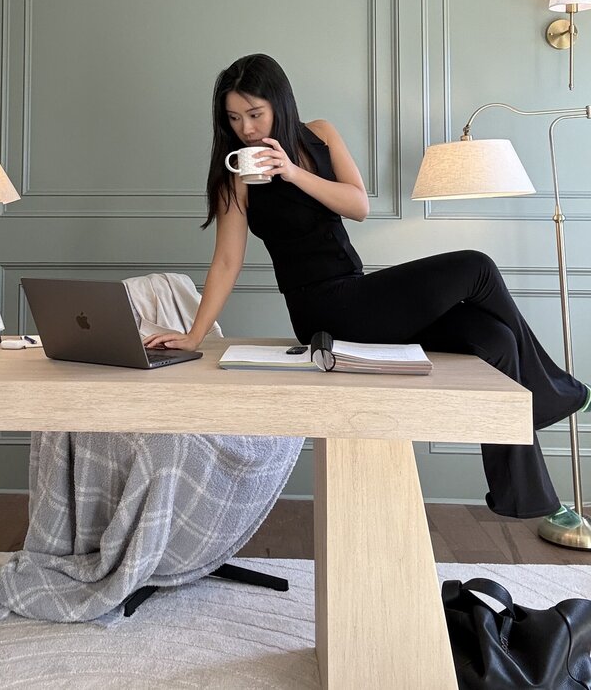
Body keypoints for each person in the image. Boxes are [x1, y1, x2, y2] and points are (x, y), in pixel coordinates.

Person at [144, 52, 591, 525]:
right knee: (476, 266)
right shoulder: (237, 179)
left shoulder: (321, 136)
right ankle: (547, 393)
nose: (248, 130)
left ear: (279, 103)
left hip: (358, 295)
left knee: (494, 339)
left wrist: (293, 173)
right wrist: (194, 336)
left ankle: (526, 495)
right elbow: (227, 261)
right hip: (323, 313)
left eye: (255, 114)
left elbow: (358, 206)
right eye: (235, 119)